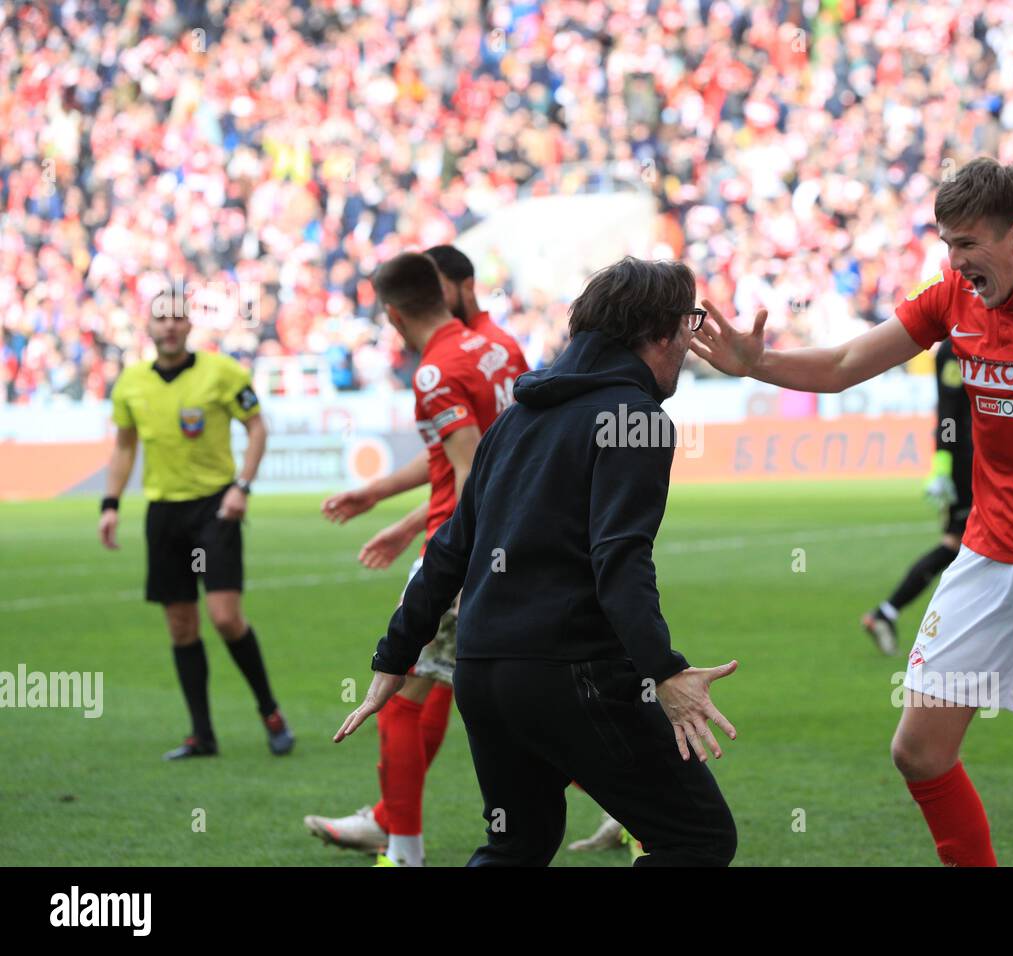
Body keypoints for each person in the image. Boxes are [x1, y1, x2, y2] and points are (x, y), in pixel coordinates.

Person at [690, 159, 1013, 867]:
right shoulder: (953, 296)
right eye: (947, 244)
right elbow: (842, 366)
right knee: (919, 752)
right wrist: (759, 363)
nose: (954, 261)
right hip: (988, 554)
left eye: (967, 244)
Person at [335, 257, 739, 867]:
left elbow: (450, 548)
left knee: (516, 846)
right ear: (658, 332)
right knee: (697, 838)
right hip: (572, 671)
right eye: (689, 322)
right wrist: (664, 672)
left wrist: (396, 654)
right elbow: (619, 560)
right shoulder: (639, 421)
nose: (692, 337)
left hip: (484, 672)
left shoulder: (516, 419)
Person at [304, 251, 526, 866]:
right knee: (493, 698)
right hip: (510, 547)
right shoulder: (497, 349)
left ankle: (403, 852)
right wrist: (392, 508)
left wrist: (448, 562)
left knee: (397, 694)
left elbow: (472, 471)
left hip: (463, 556)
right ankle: (636, 807)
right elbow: (491, 457)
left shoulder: (434, 374)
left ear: (394, 316)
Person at [99, 293, 292, 760]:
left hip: (215, 508)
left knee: (225, 618)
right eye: (160, 318)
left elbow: (257, 427)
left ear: (189, 326)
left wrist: (241, 486)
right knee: (181, 626)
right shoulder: (130, 383)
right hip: (164, 513)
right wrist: (110, 504)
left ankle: (270, 711)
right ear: (147, 326)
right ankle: (201, 735)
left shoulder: (222, 372)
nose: (168, 327)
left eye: (176, 318)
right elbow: (125, 448)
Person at [861, 337, 972, 653]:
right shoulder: (957, 346)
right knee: (963, 544)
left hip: (983, 459)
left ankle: (887, 613)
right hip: (970, 462)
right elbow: (949, 407)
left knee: (962, 546)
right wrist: (943, 463)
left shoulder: (981, 333)